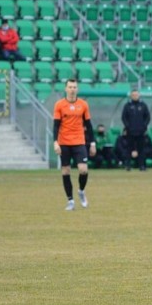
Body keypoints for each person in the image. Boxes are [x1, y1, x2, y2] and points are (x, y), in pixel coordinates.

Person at [53, 79, 95, 211]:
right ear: (65, 89)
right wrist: (55, 142)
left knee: (83, 169)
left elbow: (88, 125)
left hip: (79, 142)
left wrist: (92, 143)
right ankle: (70, 201)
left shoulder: (83, 104)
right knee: (66, 171)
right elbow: (56, 125)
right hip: (64, 142)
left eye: (74, 87)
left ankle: (81, 191)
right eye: (70, 87)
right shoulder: (59, 105)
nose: (72, 89)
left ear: (77, 89)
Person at [121, 89, 151, 171]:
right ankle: (128, 165)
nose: (135, 96)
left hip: (141, 131)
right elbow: (124, 117)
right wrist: (128, 127)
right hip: (130, 131)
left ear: (139, 95)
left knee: (141, 149)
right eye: (133, 95)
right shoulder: (127, 106)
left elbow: (147, 117)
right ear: (131, 96)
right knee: (129, 149)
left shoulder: (143, 105)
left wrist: (144, 126)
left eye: (136, 95)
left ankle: (142, 166)